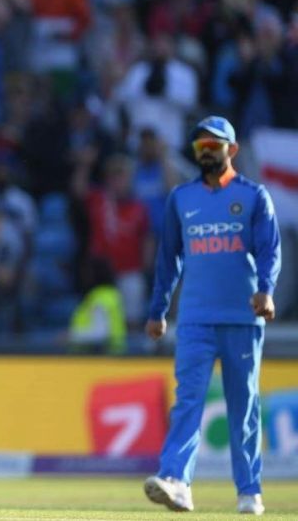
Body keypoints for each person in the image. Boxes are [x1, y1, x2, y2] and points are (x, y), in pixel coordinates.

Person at [143, 116, 281, 516]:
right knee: (187, 401)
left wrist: (266, 292)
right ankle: (176, 481)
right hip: (196, 319)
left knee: (243, 408)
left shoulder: (254, 196)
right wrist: (157, 311)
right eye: (200, 146)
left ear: (232, 150)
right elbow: (168, 259)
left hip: (242, 317)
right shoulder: (181, 199)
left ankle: (249, 491)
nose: (206, 152)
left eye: (214, 145)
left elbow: (271, 251)